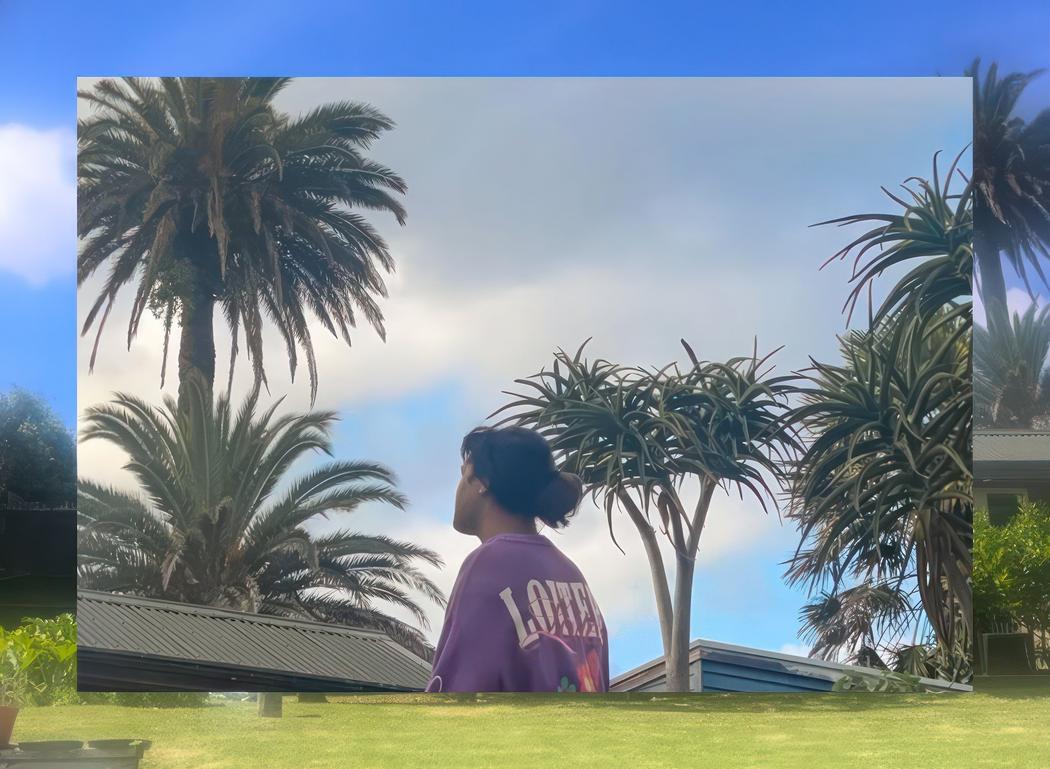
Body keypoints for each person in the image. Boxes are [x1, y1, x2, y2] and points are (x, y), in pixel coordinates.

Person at [426, 425, 609, 693]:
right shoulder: (572, 575)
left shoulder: (489, 565)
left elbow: (458, 692)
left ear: (481, 482)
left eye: (463, 473)